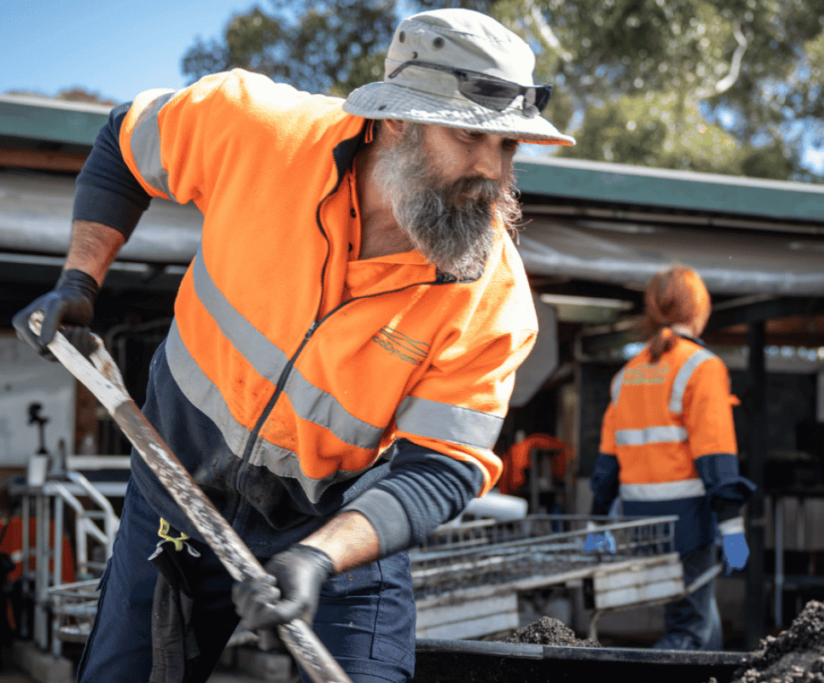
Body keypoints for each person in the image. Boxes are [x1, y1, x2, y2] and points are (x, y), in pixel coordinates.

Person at [12, 9, 573, 683]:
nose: (493, 170)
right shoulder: (260, 131)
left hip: (339, 523)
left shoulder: (491, 295)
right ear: (398, 118)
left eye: (508, 146)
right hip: (177, 490)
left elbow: (441, 466)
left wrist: (319, 556)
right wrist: (80, 279)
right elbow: (125, 143)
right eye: (468, 135)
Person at [590, 266, 754, 651]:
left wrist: (597, 528)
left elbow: (606, 467)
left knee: (700, 620)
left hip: (640, 525)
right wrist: (732, 530)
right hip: (688, 524)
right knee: (687, 632)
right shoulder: (702, 366)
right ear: (701, 310)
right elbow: (716, 456)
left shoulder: (627, 374)